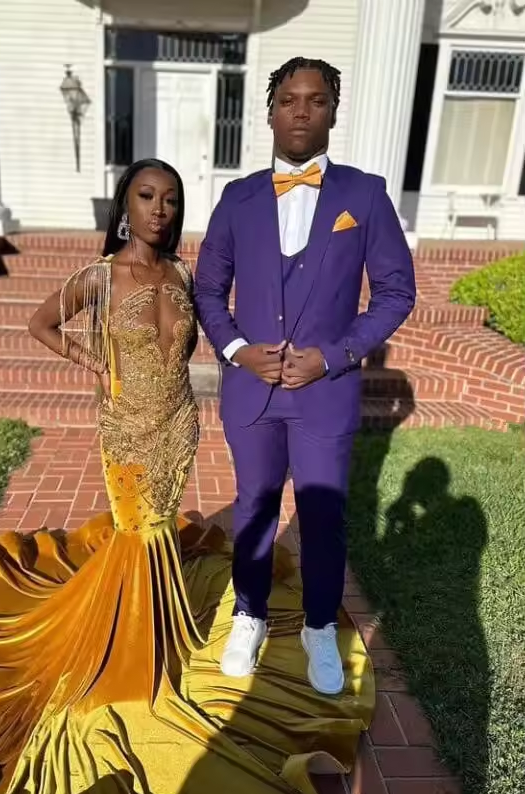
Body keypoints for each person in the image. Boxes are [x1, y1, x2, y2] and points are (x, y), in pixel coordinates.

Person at [0, 158, 374, 794]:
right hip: (127, 433)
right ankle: (128, 656)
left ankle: (156, 631)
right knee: (137, 535)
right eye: (146, 196)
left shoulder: (186, 275)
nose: (160, 209)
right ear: (125, 207)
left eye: (170, 199)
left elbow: (219, 335)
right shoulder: (100, 277)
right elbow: (41, 324)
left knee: (157, 537)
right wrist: (95, 363)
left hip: (177, 426)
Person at [195, 57, 416, 695]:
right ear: (269, 112)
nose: (301, 111)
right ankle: (250, 614)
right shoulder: (237, 198)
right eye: (289, 100)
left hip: (326, 393)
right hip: (252, 392)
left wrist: (335, 355)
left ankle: (320, 625)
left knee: (322, 516)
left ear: (333, 113)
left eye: (316, 101)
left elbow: (396, 293)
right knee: (255, 506)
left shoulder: (364, 195)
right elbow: (208, 290)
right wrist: (238, 350)